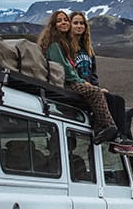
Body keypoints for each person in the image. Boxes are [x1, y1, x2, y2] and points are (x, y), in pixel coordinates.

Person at [37, 10, 118, 144]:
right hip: (63, 83)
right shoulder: (54, 44)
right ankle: (108, 126)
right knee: (95, 92)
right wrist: (82, 82)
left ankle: (100, 131)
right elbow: (64, 68)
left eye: (65, 20)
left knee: (99, 95)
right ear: (53, 25)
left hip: (67, 81)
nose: (63, 22)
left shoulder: (63, 43)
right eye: (59, 21)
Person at [67, 11, 133, 155]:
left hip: (90, 88)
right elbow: (68, 70)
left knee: (118, 100)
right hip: (77, 88)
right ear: (70, 25)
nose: (79, 26)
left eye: (82, 23)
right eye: (76, 23)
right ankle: (113, 135)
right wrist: (90, 87)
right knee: (110, 99)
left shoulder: (88, 49)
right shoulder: (67, 46)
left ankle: (120, 138)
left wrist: (96, 87)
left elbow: (93, 73)